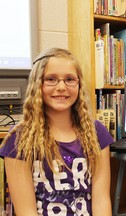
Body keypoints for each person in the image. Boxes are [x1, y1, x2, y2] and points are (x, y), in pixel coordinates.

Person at [0, 48, 114, 215]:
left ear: (79, 84)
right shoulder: (18, 139)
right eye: (51, 79)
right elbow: (26, 211)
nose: (61, 87)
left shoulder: (97, 133)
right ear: (37, 84)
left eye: (69, 79)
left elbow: (102, 200)